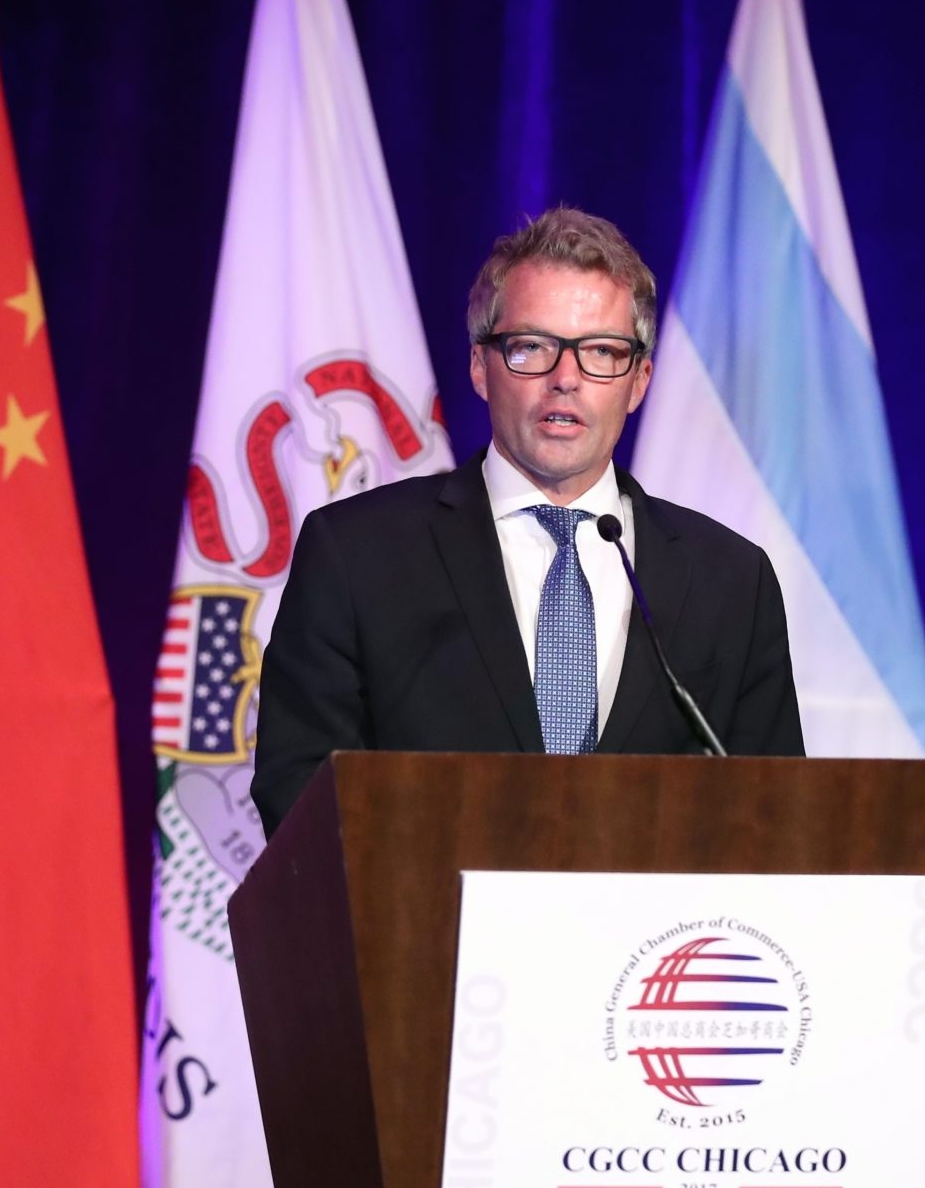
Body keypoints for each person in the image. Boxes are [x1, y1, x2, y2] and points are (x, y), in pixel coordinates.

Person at [251, 205, 803, 834]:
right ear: (481, 368)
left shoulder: (729, 579)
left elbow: (774, 815)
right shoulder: (358, 556)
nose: (565, 379)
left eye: (601, 351)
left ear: (639, 380)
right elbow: (299, 799)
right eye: (532, 347)